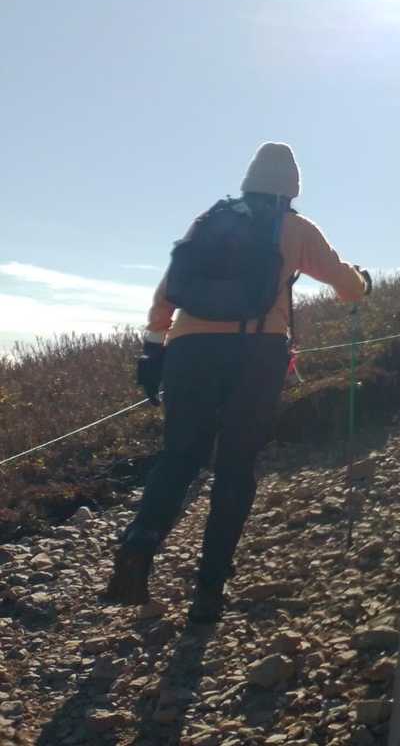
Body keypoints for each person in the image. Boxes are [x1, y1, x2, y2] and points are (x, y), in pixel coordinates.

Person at [102, 142, 371, 623]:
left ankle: (139, 545)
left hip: (187, 349)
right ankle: (209, 590)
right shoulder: (295, 228)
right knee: (235, 465)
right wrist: (362, 283)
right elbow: (345, 285)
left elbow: (169, 288)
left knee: (179, 456)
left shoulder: (210, 220)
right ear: (291, 189)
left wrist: (154, 346)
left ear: (249, 181)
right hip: (256, 353)